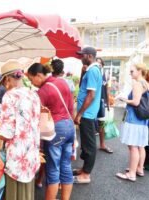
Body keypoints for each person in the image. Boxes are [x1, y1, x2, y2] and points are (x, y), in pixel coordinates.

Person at [27, 61, 75, 200]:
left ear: (39, 75)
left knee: (53, 168)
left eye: (32, 79)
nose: (32, 83)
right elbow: (71, 106)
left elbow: (36, 116)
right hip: (69, 127)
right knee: (66, 166)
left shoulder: (43, 91)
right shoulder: (62, 82)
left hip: (56, 130)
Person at [0, 61, 41, 200]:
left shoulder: (10, 96)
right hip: (31, 153)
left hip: (17, 155)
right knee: (27, 193)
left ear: (7, 79)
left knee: (16, 194)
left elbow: (6, 133)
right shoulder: (33, 94)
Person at [74, 47, 102, 184]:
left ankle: (86, 174)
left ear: (89, 56)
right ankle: (84, 169)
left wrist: (79, 114)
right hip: (87, 113)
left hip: (87, 114)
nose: (80, 57)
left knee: (89, 145)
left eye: (82, 55)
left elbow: (91, 95)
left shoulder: (93, 71)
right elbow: (84, 89)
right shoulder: (91, 70)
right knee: (86, 143)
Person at [116, 63, 149, 182]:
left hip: (134, 119)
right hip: (142, 120)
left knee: (133, 147)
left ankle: (131, 174)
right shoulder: (145, 83)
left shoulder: (137, 84)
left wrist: (123, 99)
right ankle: (139, 169)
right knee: (140, 146)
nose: (130, 74)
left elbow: (135, 102)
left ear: (139, 71)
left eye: (132, 71)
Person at [96, 57, 113, 154]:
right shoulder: (92, 73)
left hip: (102, 102)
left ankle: (102, 145)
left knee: (101, 124)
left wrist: (108, 103)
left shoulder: (105, 75)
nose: (98, 65)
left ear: (102, 65)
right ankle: (86, 145)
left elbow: (106, 89)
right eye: (97, 63)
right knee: (89, 123)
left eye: (100, 63)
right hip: (92, 102)